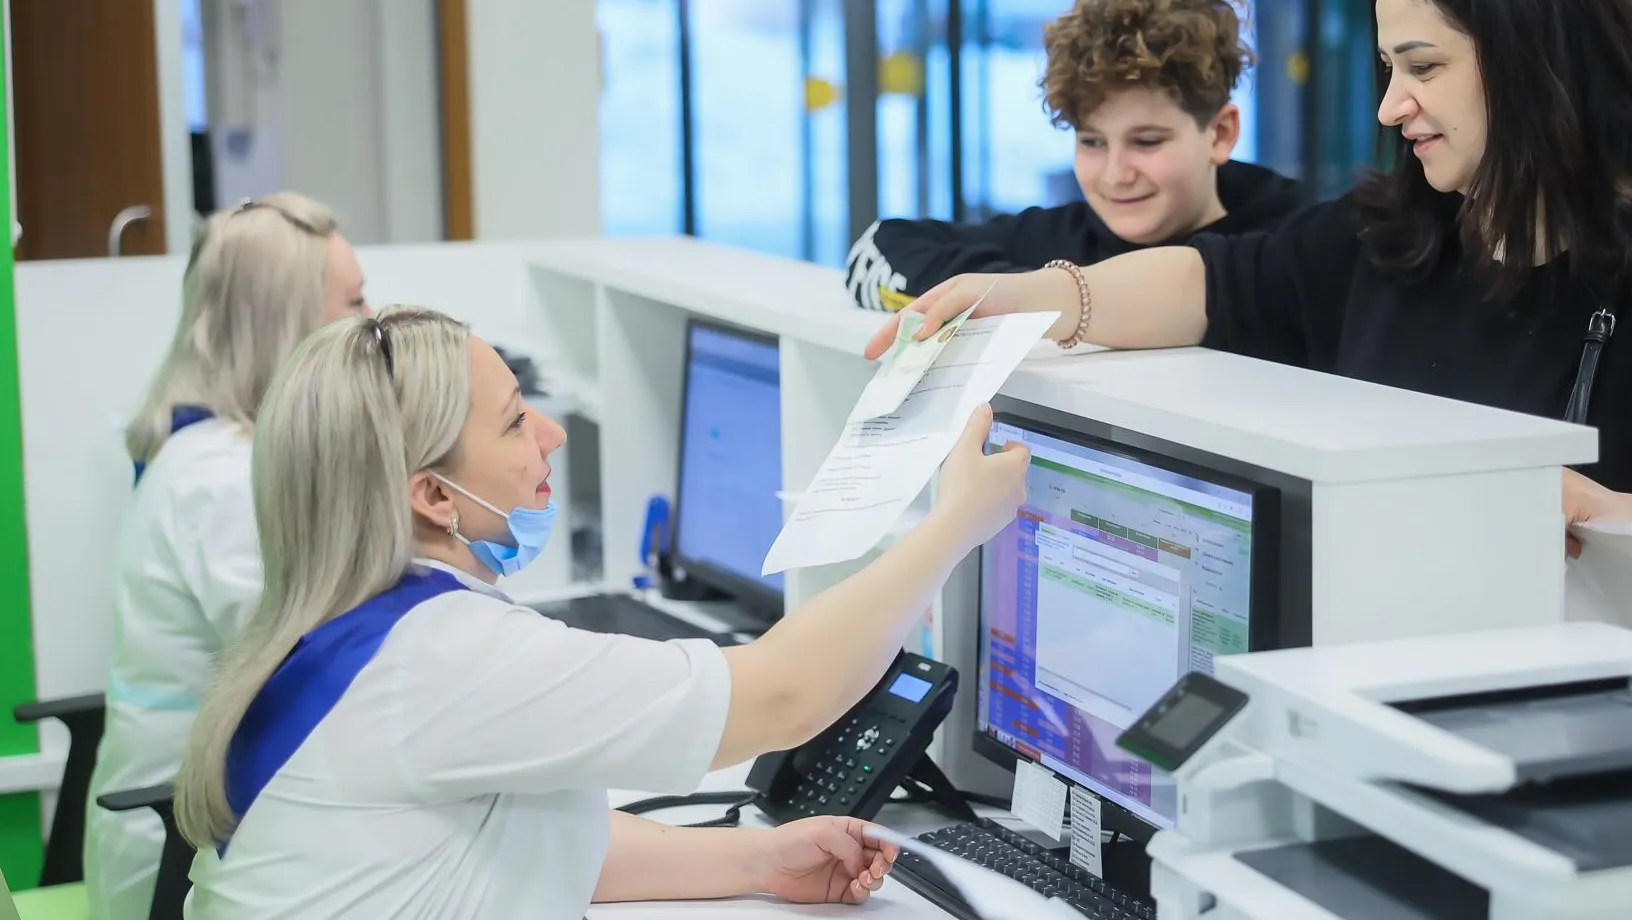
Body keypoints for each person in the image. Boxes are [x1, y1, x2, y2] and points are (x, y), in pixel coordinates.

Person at [865, 0, 1632, 686]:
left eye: (1423, 67)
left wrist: (1596, 512)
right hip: (1432, 701)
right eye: (1390, 67)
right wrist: (1030, 297)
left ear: (1534, 59)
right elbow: (1208, 285)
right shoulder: (1392, 234)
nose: (1395, 104)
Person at [172, 306, 1029, 918]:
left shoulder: (337, 623)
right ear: (432, 494)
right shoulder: (440, 656)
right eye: (512, 423)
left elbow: (528, 837)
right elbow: (783, 697)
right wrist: (956, 524)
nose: (550, 434)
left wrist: (759, 859)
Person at [87, 193, 370, 920]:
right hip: (182, 860)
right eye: (355, 302)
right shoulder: (223, 479)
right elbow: (311, 668)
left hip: (219, 828)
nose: (373, 328)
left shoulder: (213, 450)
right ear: (290, 327)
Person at [844, 0, 1308, 311]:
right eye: (1091, 142)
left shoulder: (1297, 243)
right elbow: (877, 249)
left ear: (1221, 133)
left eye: (1147, 142)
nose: (1115, 174)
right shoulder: (1062, 237)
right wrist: (1025, 293)